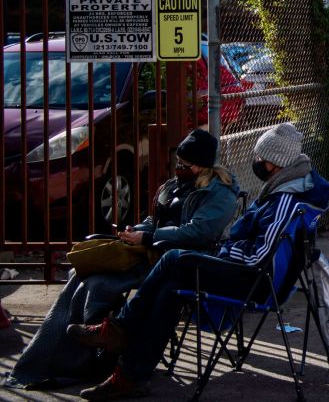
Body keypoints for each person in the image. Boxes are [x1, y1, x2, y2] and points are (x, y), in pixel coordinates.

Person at [67, 123, 329, 401]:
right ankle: (130, 375)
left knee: (173, 259)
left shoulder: (287, 201)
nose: (255, 162)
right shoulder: (286, 188)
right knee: (170, 288)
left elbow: (260, 257)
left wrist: (224, 252)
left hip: (253, 279)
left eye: (259, 158)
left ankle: (119, 330)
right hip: (245, 269)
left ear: (275, 163)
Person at [4, 129, 239, 391]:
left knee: (100, 284)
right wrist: (136, 231)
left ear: (201, 165)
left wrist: (149, 237)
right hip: (150, 251)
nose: (178, 167)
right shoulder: (175, 184)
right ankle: (52, 360)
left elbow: (199, 231)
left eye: (185, 164)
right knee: (83, 276)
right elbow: (155, 219)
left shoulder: (220, 192)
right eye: (178, 162)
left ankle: (93, 356)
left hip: (177, 257)